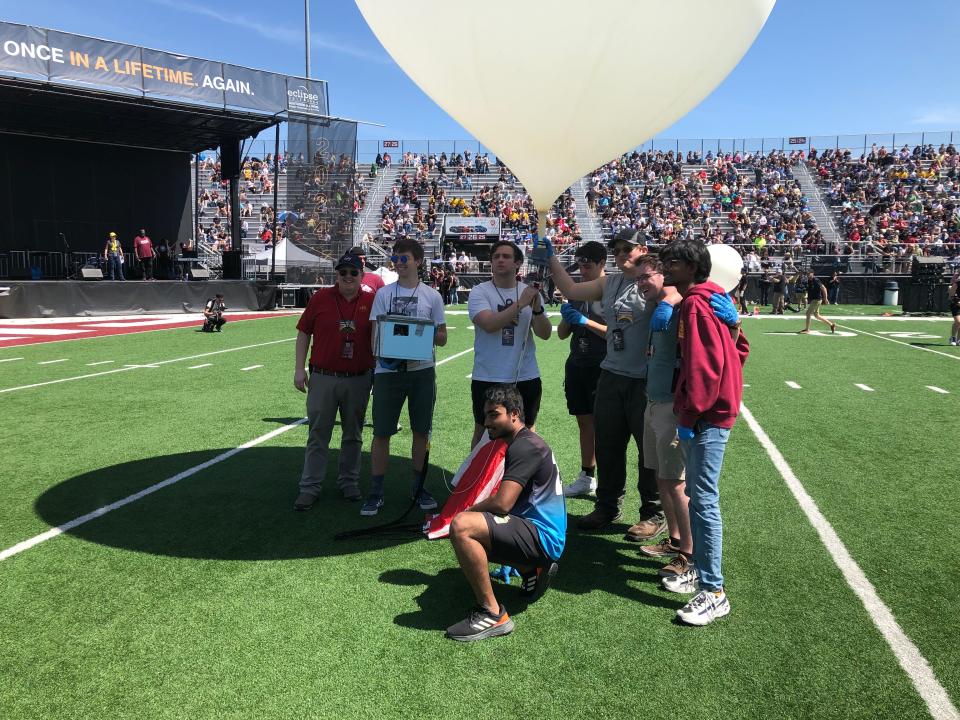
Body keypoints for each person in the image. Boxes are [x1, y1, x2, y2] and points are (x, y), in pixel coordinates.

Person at [542, 229, 665, 538]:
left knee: (648, 451)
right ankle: (607, 505)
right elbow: (570, 287)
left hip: (644, 379)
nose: (622, 252)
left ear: (642, 249)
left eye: (628, 247)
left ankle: (653, 512)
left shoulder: (654, 281)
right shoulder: (609, 282)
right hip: (611, 373)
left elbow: (679, 294)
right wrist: (551, 258)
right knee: (608, 445)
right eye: (617, 248)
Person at [658, 239, 749, 626]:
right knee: (699, 496)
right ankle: (700, 569)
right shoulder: (709, 299)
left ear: (693, 266)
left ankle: (714, 591)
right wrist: (734, 325)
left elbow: (702, 368)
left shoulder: (696, 303)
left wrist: (689, 413)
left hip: (707, 415)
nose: (666, 269)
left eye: (672, 263)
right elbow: (738, 351)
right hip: (711, 411)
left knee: (704, 500)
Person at [445, 385, 565, 642]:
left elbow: (502, 504)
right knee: (476, 528)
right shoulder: (524, 442)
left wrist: (469, 511)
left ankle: (493, 613)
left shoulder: (524, 447)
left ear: (514, 414)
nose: (487, 422)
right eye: (486, 415)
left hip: (543, 537)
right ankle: (531, 569)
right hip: (538, 532)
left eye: (494, 415)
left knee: (462, 526)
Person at [363, 238, 448, 516]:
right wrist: (388, 352)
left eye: (404, 258)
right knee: (381, 432)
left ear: (418, 261)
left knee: (421, 431)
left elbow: (443, 337)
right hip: (388, 371)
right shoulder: (384, 294)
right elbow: (376, 336)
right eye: (396, 258)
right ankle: (376, 491)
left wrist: (422, 333)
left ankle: (418, 486)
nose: (399, 263)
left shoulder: (432, 296)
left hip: (421, 371)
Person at [293, 253, 376, 509]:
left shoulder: (374, 300)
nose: (348, 277)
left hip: (359, 378)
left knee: (353, 434)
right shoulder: (320, 298)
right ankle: (309, 487)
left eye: (353, 272)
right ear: (336, 275)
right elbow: (303, 332)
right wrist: (299, 368)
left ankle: (349, 481)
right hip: (323, 377)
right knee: (318, 434)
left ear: (362, 275)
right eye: (343, 273)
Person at [467, 240, 552, 448]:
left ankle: (523, 478)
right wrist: (521, 304)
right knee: (483, 429)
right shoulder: (479, 292)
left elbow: (545, 333)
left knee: (527, 430)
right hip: (488, 375)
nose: (500, 260)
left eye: (506, 256)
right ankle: (476, 478)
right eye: (496, 257)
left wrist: (538, 309)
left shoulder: (530, 292)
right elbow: (488, 324)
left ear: (518, 263)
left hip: (526, 374)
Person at [555, 241, 608, 497]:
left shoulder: (611, 290)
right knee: (584, 423)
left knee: (607, 427)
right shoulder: (576, 292)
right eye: (580, 265)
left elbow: (618, 335)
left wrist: (586, 322)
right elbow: (562, 335)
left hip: (603, 366)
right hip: (577, 364)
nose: (583, 270)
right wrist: (567, 316)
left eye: (588, 265)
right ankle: (588, 476)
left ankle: (609, 482)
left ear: (602, 264)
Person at [950, 271, 960, 346]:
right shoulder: (957, 283)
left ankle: (959, 340)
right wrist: (957, 301)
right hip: (956, 304)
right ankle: (953, 337)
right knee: (958, 321)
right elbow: (951, 295)